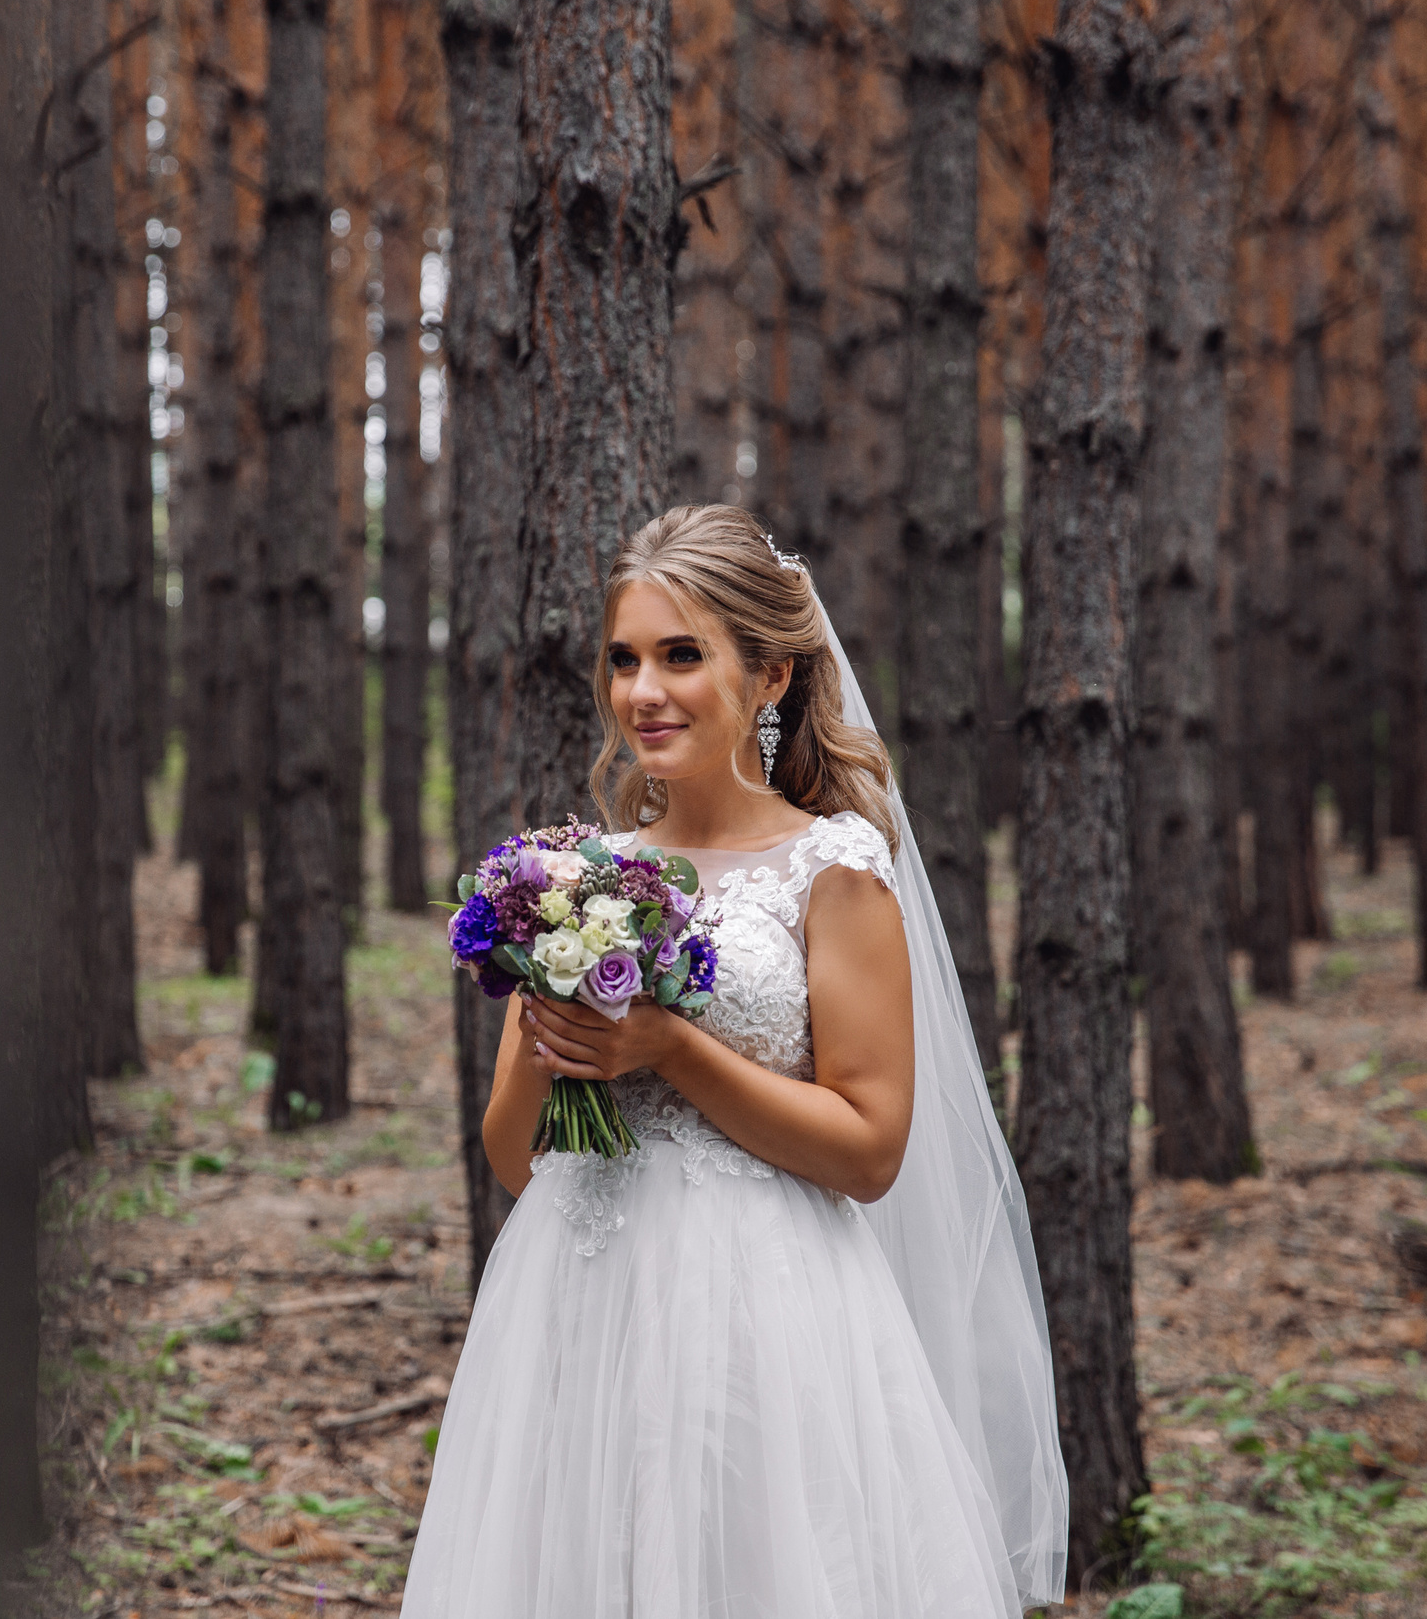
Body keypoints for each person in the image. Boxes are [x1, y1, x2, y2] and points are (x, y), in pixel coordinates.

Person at [402, 504, 1068, 1617]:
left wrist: (667, 1045)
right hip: (579, 1296)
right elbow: (514, 1155)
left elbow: (868, 1150)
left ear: (766, 677)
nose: (642, 691)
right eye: (623, 659)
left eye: (679, 655)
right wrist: (553, 1030)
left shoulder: (833, 867)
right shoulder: (580, 879)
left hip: (766, 1314)